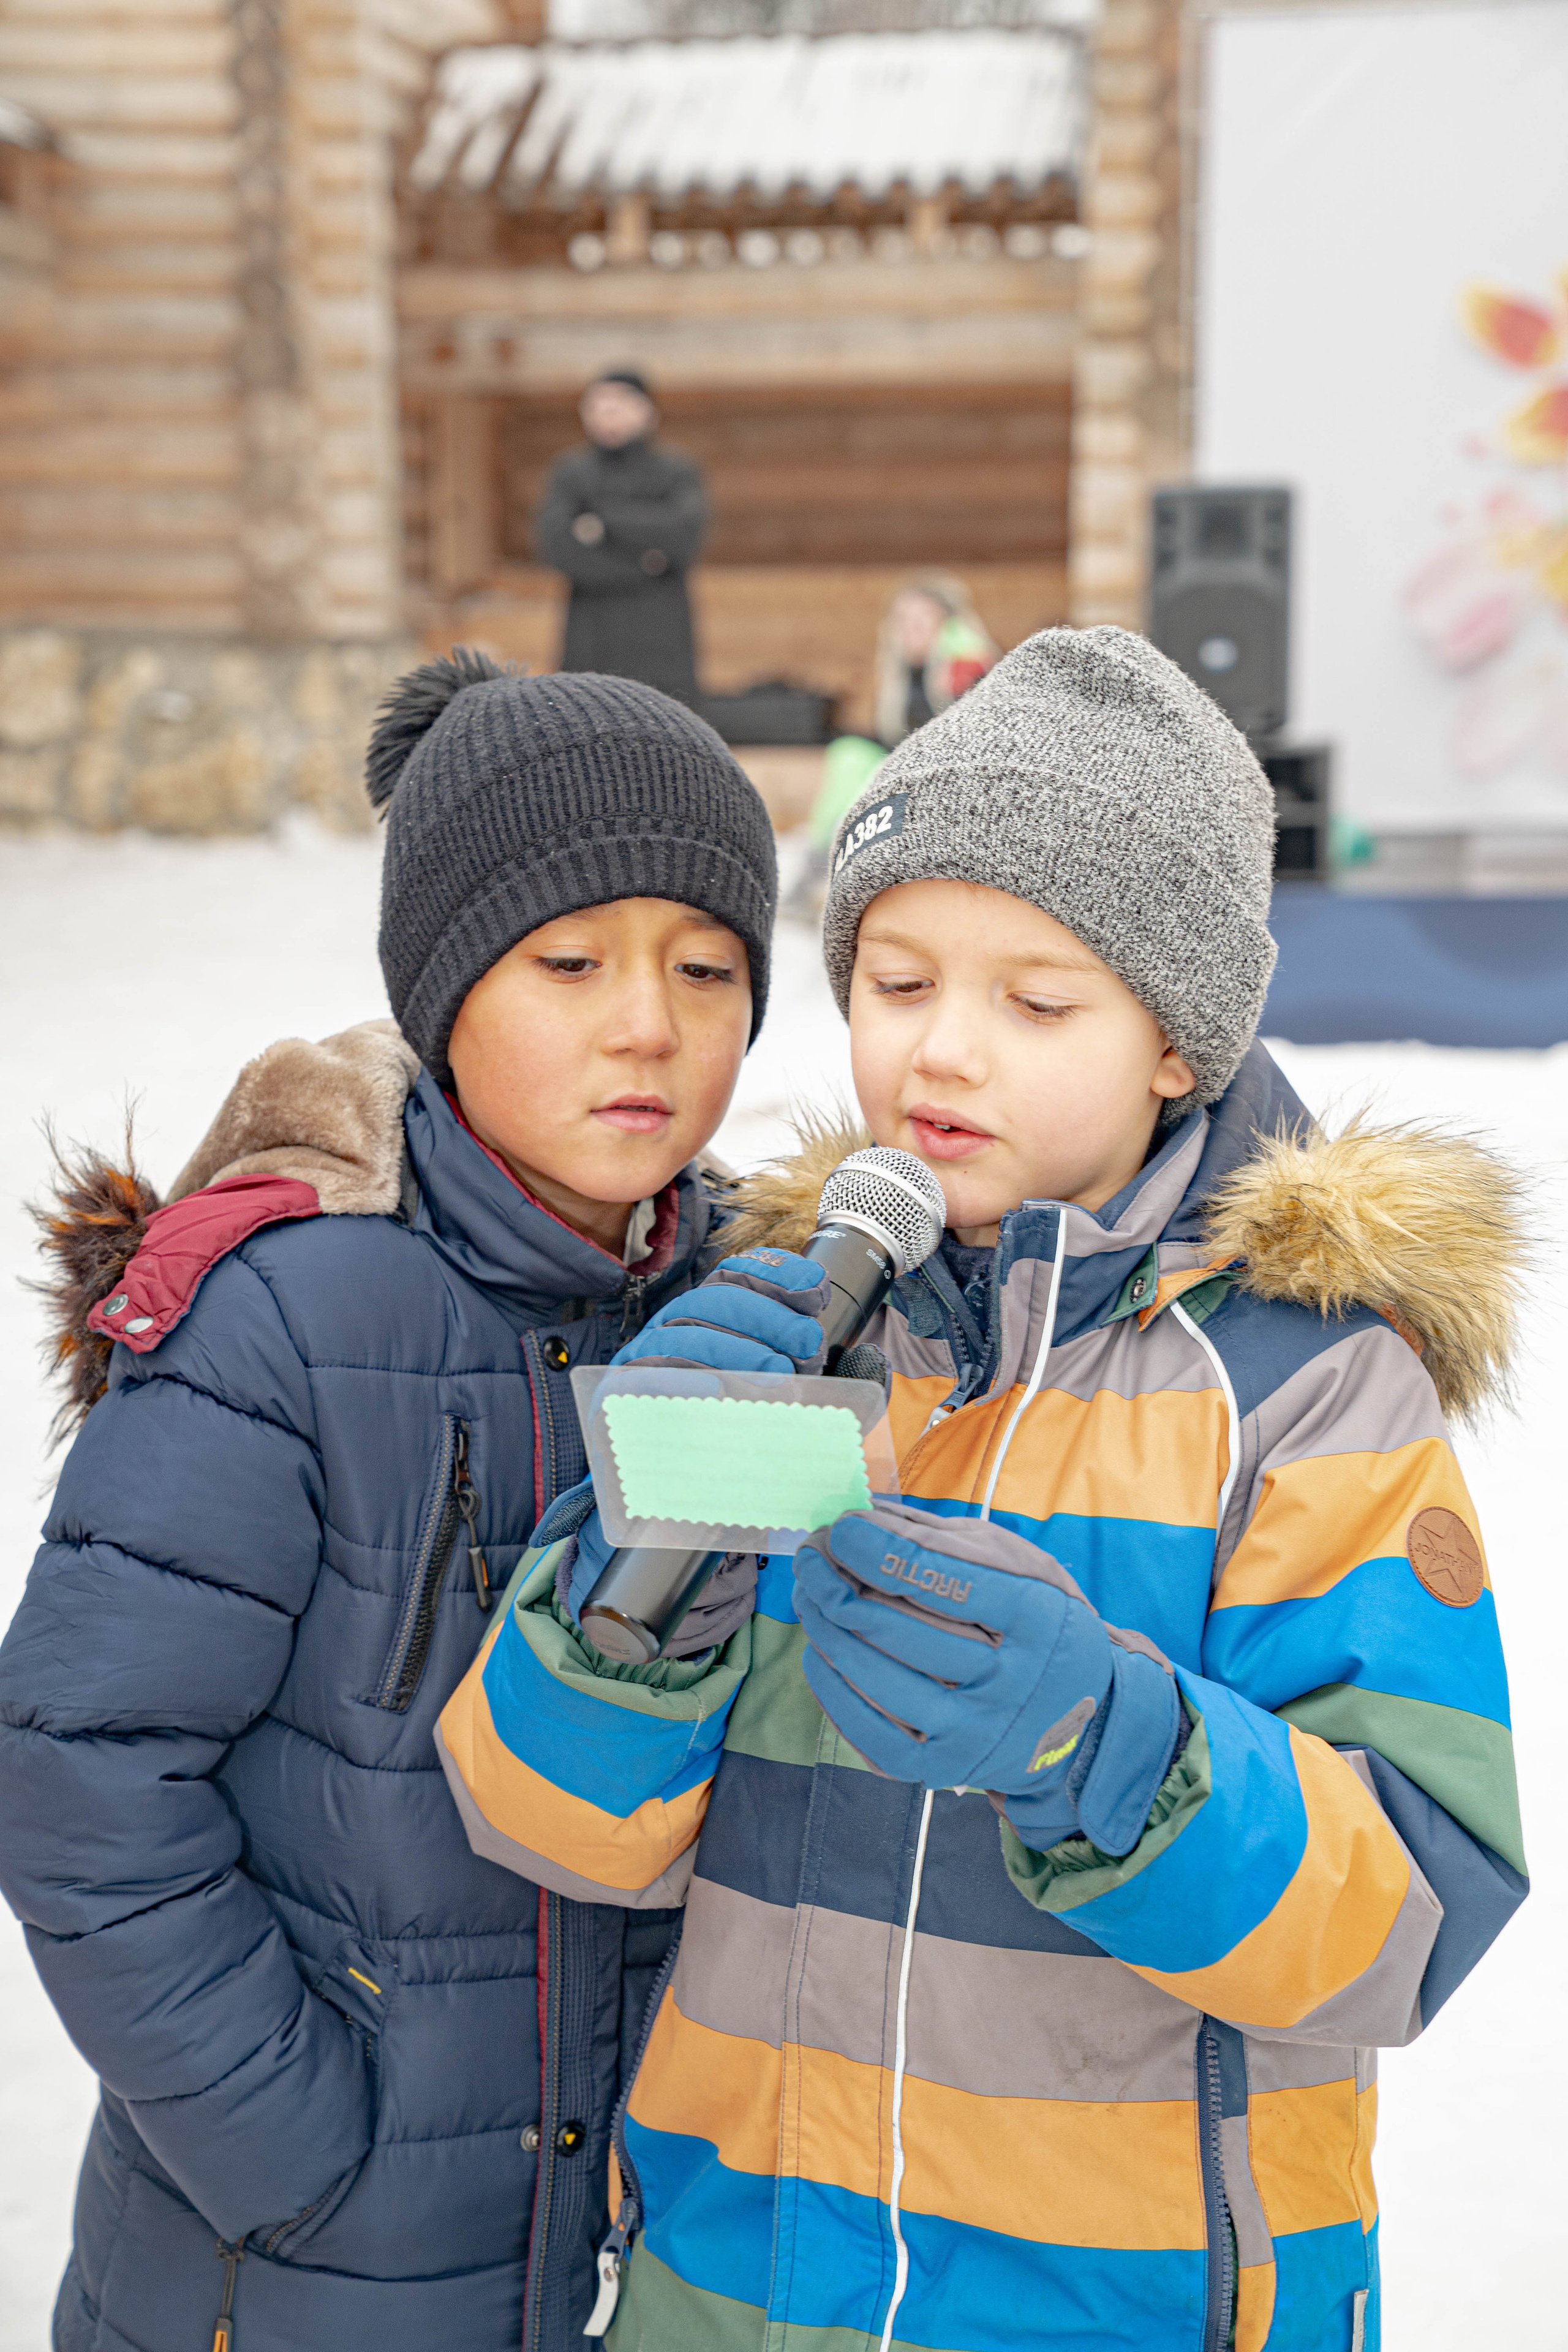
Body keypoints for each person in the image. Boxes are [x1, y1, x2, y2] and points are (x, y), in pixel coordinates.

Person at [439, 627, 1528, 2351]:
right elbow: (545, 1825)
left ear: (1177, 1044)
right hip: (731, 2296)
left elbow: (1405, 1925)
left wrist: (1108, 1744)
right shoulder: (787, 1323)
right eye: (897, 983)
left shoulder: (1304, 1385)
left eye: (1035, 1002)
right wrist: (637, 1598)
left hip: (1123, 2310)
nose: (944, 1052)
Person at [0, 654, 777, 2352]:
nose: (647, 1021)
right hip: (280, 2265)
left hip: (596, 2246)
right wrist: (283, 2146)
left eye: (707, 968)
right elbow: (80, 1760)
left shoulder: (742, 1323)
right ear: (442, 991)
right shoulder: (287, 1314)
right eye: (570, 961)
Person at [535, 369, 707, 706]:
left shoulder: (676, 471)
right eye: (598, 406)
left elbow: (684, 534)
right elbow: (556, 546)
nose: (608, 414)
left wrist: (603, 523)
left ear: (648, 411)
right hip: (591, 631)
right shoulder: (571, 473)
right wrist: (647, 565)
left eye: (620, 404)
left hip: (662, 634)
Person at [872, 570, 998, 746]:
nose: (913, 627)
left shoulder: (969, 671)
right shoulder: (898, 679)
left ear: (948, 623)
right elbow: (891, 736)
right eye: (903, 619)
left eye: (924, 616)